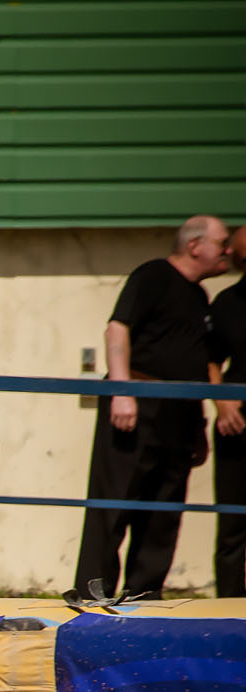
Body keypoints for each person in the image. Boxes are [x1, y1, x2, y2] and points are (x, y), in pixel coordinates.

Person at [76, 216, 233, 600]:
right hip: (137, 404)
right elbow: (117, 328)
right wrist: (123, 390)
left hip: (178, 414)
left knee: (163, 510)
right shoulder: (152, 275)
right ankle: (93, 595)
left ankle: (144, 595)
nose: (228, 251)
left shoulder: (199, 297)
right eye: (222, 242)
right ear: (195, 245)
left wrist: (197, 426)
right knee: (114, 503)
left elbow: (193, 363)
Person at [212, 226, 246, 600]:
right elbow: (211, 360)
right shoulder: (227, 303)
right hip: (237, 425)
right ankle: (230, 604)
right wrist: (221, 403)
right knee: (233, 525)